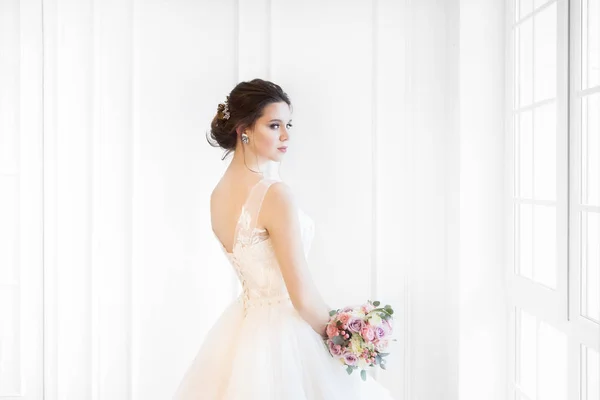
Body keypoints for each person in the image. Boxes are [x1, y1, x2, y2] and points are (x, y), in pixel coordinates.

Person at [172, 79, 396, 399]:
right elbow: (301, 295)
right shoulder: (274, 194)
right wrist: (346, 335)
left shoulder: (217, 195)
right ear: (243, 129)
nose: (286, 136)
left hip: (245, 332)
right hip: (286, 336)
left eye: (287, 124)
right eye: (274, 125)